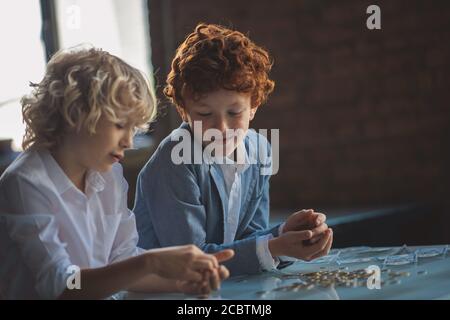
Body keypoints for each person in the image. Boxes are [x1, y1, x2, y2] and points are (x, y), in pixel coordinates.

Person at [0, 46, 233, 299]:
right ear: (76, 113)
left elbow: (122, 260)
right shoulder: (25, 182)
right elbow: (63, 284)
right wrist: (151, 261)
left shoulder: (108, 175)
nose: (129, 142)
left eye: (134, 128)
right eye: (120, 125)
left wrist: (182, 282)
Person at [133, 23, 332, 276]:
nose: (221, 127)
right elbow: (189, 261)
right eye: (204, 114)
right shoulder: (175, 160)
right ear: (183, 109)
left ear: (254, 104)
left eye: (234, 112)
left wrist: (285, 235)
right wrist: (273, 248)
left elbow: (247, 236)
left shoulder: (260, 150)